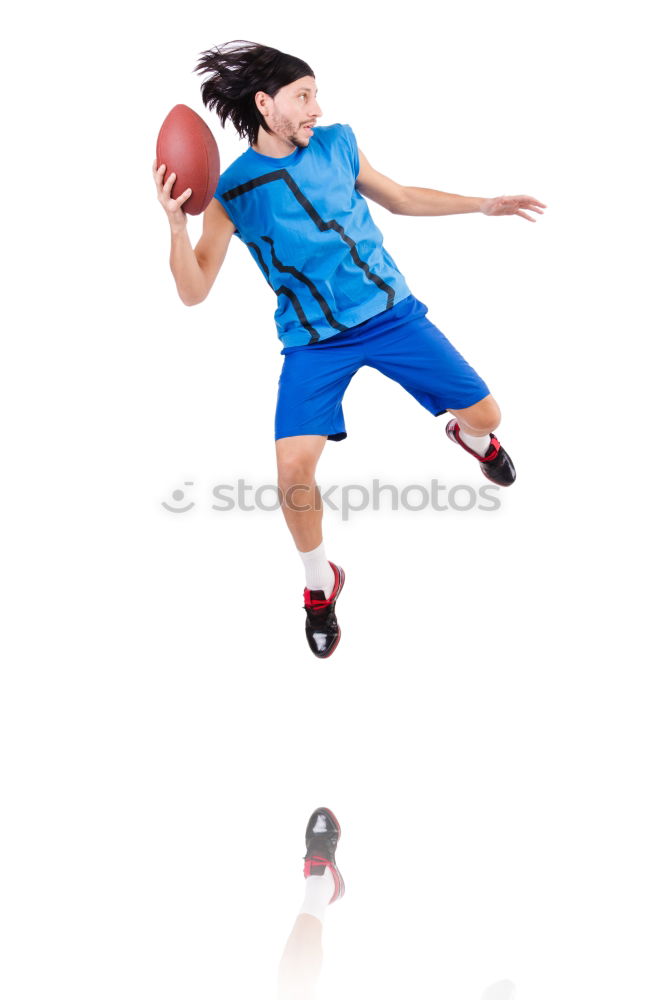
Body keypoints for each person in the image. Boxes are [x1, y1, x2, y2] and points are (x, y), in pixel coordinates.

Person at [152, 40, 546, 658]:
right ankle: (319, 584)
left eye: (316, 95)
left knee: (490, 415)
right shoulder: (231, 194)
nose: (316, 107)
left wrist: (482, 205)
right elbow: (194, 290)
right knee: (291, 472)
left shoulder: (337, 144)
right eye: (303, 97)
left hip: (390, 316)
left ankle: (472, 438)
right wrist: (177, 228)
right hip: (313, 345)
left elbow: (402, 197)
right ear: (265, 104)